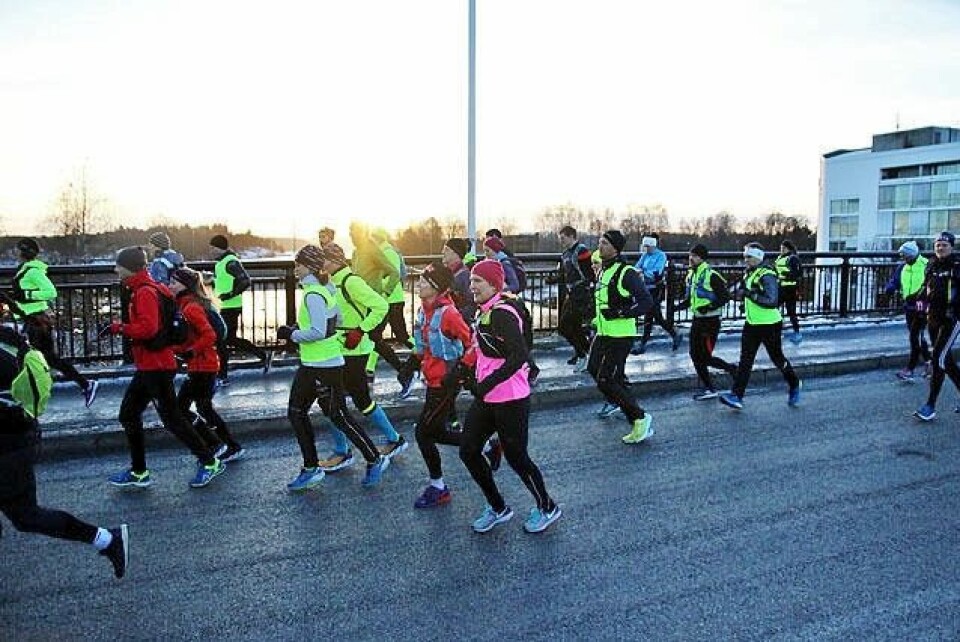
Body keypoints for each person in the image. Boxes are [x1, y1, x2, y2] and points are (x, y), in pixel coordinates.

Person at [0, 326, 129, 579]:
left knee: (27, 516)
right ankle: (106, 539)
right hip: (20, 436)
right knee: (26, 516)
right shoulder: (8, 340)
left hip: (8, 445)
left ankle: (107, 539)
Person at [105, 246, 225, 489]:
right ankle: (139, 471)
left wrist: (120, 328)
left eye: (119, 265)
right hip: (151, 365)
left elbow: (148, 328)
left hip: (156, 365)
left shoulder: (144, 292)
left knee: (172, 418)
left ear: (129, 267)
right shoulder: (154, 288)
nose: (116, 270)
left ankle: (209, 461)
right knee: (129, 414)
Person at [458, 259, 561, 533]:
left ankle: (547, 507)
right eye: (471, 281)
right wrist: (466, 373)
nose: (472, 286)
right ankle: (498, 507)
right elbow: (481, 351)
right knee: (468, 450)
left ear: (494, 284)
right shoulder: (485, 311)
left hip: (511, 397)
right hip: (488, 396)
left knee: (517, 457)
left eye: (477, 281)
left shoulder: (502, 313)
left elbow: (519, 356)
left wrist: (486, 383)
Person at [278, 245, 390, 490]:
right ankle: (311, 468)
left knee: (337, 415)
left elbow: (319, 331)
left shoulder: (314, 294)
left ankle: (373, 458)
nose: (295, 268)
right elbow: (336, 321)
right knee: (298, 412)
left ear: (309, 266)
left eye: (299, 264)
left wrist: (292, 333)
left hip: (323, 366)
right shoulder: (324, 290)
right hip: (315, 363)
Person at [315, 243, 406, 473]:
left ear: (335, 261)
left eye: (323, 259)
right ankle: (352, 447)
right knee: (333, 398)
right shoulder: (330, 282)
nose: (320, 264)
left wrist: (361, 330)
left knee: (353, 399)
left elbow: (381, 306)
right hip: (337, 347)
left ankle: (348, 450)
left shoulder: (351, 282)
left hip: (354, 349)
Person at [409, 263, 476, 508]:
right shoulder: (423, 310)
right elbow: (424, 344)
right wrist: (412, 363)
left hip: (446, 383)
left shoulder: (449, 313)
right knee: (435, 432)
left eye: (425, 281)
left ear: (436, 287)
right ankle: (486, 444)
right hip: (432, 380)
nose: (419, 285)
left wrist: (460, 371)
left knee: (422, 432)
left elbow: (472, 342)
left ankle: (438, 487)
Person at [9, 238, 98, 407]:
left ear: (23, 252)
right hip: (33, 320)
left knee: (29, 358)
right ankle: (84, 385)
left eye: (17, 249)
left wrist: (26, 295)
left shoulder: (33, 271)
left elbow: (51, 292)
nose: (15, 252)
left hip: (37, 322)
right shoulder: (25, 270)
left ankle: (27, 398)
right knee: (45, 359)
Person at [169, 267, 245, 463]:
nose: (169, 286)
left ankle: (219, 445)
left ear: (185, 286)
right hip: (202, 365)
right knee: (202, 408)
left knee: (185, 409)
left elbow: (209, 335)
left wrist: (191, 351)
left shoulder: (191, 307)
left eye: (173, 283)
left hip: (203, 367)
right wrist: (177, 349)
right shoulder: (187, 304)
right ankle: (226, 445)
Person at [589, 231, 656, 444]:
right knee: (595, 370)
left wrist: (620, 313)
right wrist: (594, 321)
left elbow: (646, 302)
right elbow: (603, 301)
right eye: (600, 242)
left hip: (620, 335)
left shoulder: (626, 272)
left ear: (616, 248)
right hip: (604, 332)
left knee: (606, 378)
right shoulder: (603, 271)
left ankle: (639, 417)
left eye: (605, 243)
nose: (601, 246)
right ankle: (624, 403)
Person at [719, 243, 802, 411]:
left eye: (748, 257)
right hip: (752, 324)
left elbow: (771, 300)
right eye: (745, 256)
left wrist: (750, 294)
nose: (745, 260)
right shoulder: (751, 273)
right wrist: (740, 298)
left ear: (758, 257)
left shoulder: (767, 274)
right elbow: (749, 294)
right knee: (745, 361)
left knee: (777, 359)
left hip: (770, 324)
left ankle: (794, 383)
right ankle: (736, 396)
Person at [676, 244, 737, 400]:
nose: (691, 258)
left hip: (710, 321)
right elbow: (691, 299)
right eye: (690, 255)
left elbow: (725, 297)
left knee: (704, 356)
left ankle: (731, 370)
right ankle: (709, 387)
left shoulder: (711, 275)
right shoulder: (691, 275)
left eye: (695, 256)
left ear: (702, 258)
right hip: (698, 320)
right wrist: (677, 307)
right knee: (694, 354)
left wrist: (708, 307)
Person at [209, 235, 272, 384]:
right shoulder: (223, 262)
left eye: (212, 248)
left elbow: (245, 281)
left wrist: (229, 295)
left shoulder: (231, 262)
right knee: (229, 339)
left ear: (219, 248)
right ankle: (263, 355)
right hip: (224, 306)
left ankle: (222, 375)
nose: (210, 251)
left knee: (222, 340)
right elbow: (226, 281)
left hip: (230, 307)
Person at [914, 232, 960, 421]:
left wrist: (955, 308)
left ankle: (930, 406)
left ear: (952, 247)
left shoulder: (957, 266)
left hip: (952, 319)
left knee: (938, 359)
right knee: (946, 361)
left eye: (944, 245)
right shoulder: (931, 265)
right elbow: (926, 288)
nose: (940, 248)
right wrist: (918, 302)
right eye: (938, 245)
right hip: (933, 317)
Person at [348, 223, 404, 377]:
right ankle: (359, 375)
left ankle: (404, 372)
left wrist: (385, 293)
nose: (352, 236)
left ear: (364, 232)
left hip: (373, 304)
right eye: (350, 232)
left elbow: (394, 272)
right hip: (358, 305)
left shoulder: (372, 249)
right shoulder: (355, 253)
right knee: (369, 338)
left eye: (355, 232)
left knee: (372, 337)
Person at [884, 240, 931, 381]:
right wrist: (890, 288)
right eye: (902, 256)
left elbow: (933, 284)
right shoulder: (902, 267)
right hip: (909, 306)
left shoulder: (926, 265)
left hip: (922, 305)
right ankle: (929, 364)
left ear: (913, 255)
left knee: (914, 337)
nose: (903, 258)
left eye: (905, 256)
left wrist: (926, 299)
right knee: (916, 336)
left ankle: (910, 369)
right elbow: (895, 280)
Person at [632, 233, 681, 355]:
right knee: (653, 316)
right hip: (646, 288)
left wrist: (642, 271)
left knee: (652, 315)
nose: (646, 249)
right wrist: (640, 271)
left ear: (653, 245)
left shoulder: (661, 256)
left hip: (655, 289)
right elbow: (636, 267)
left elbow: (656, 272)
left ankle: (643, 345)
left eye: (647, 246)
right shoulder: (645, 255)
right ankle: (674, 334)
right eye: (645, 246)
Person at [555, 226, 595, 372]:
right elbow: (564, 273)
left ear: (572, 236)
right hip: (571, 293)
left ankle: (583, 354)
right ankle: (584, 353)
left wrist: (588, 288)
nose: (562, 241)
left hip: (581, 294)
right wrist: (554, 279)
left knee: (567, 326)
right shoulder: (565, 254)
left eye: (563, 238)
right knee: (570, 327)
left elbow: (589, 272)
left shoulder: (582, 251)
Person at [441, 237, 477, 324]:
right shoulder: (449, 273)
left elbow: (472, 304)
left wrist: (455, 317)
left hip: (457, 327)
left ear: (456, 253)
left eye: (446, 249)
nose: (443, 252)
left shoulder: (464, 276)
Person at [775, 240, 803, 345]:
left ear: (788, 249)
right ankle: (778, 330)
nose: (781, 250)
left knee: (791, 312)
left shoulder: (792, 258)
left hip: (790, 288)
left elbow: (798, 273)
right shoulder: (780, 258)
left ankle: (797, 333)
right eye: (781, 248)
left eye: (783, 248)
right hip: (781, 288)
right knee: (774, 309)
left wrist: (785, 275)